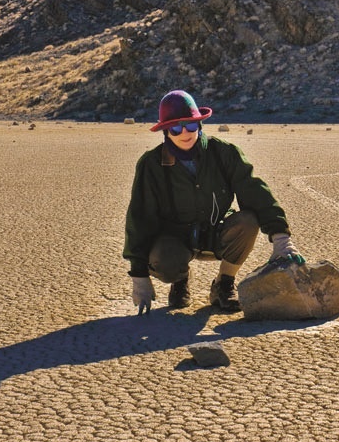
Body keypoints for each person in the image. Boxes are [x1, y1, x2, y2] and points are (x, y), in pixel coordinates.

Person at [124, 90, 303, 314]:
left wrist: (281, 237)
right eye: (176, 128)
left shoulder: (224, 153)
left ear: (199, 124)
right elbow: (141, 217)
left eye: (190, 125)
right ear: (166, 131)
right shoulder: (152, 164)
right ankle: (179, 279)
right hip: (175, 238)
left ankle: (224, 283)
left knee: (248, 221)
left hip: (216, 232)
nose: (185, 133)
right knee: (164, 261)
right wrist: (139, 275)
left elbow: (255, 192)